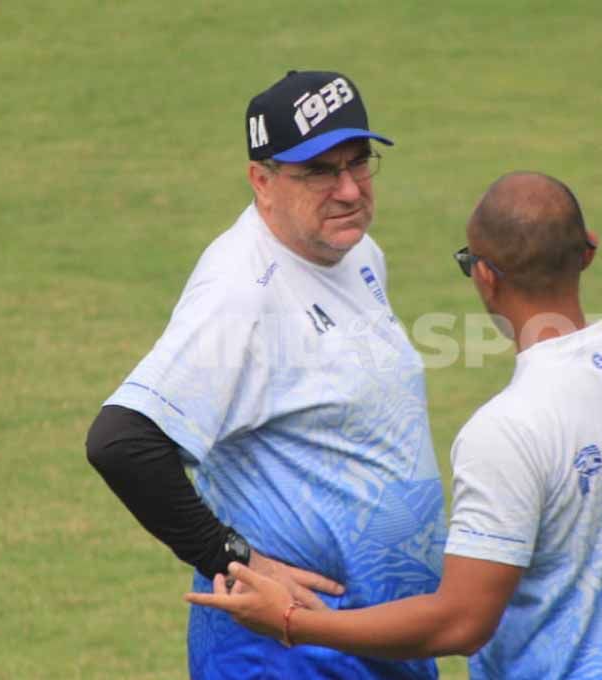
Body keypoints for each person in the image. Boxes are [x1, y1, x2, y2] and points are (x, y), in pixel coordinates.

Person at [187, 172, 602, 679]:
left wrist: (289, 621)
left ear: (485, 277)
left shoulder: (508, 430)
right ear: (589, 251)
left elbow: (461, 622)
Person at [86, 70, 447, 680]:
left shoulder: (354, 251)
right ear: (262, 180)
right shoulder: (239, 294)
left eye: (359, 163)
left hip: (379, 639)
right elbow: (122, 441)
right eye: (319, 172)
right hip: (284, 651)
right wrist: (231, 555)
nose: (350, 190)